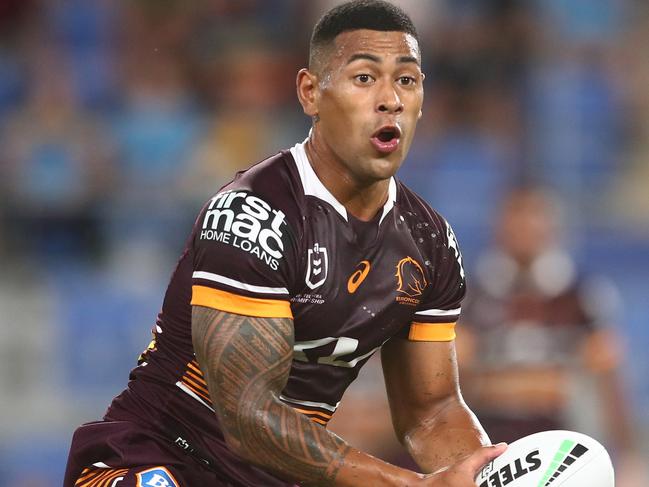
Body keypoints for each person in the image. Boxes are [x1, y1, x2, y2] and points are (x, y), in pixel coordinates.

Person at [64, 1, 505, 485]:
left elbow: (432, 412)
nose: (390, 100)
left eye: (406, 80)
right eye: (364, 78)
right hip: (159, 459)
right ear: (310, 93)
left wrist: (486, 475)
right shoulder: (252, 215)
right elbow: (249, 419)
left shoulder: (430, 243)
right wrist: (410, 485)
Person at [457, 187, 647, 487]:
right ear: (499, 225)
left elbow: (610, 378)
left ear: (553, 225)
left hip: (566, 443)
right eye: (516, 217)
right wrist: (538, 385)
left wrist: (628, 454)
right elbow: (453, 376)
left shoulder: (582, 296)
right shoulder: (470, 297)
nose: (525, 228)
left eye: (535, 216)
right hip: (490, 442)